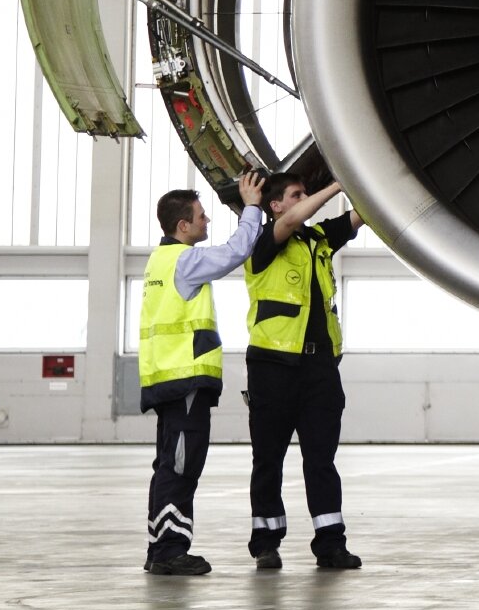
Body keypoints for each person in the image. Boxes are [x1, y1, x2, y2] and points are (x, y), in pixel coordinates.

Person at [140, 168, 266, 576]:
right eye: (201, 216)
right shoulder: (185, 260)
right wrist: (251, 209)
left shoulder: (159, 261)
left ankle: (160, 546)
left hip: (165, 378)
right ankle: (171, 551)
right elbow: (236, 251)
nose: (206, 221)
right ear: (182, 225)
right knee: (181, 466)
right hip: (185, 380)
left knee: (168, 464)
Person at [244, 172, 365, 570]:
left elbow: (361, 215)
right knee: (268, 460)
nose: (306, 199)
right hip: (273, 366)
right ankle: (265, 542)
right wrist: (338, 183)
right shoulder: (264, 242)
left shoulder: (318, 240)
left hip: (319, 367)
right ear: (276, 205)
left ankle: (330, 543)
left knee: (321, 460)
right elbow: (292, 223)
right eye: (298, 195)